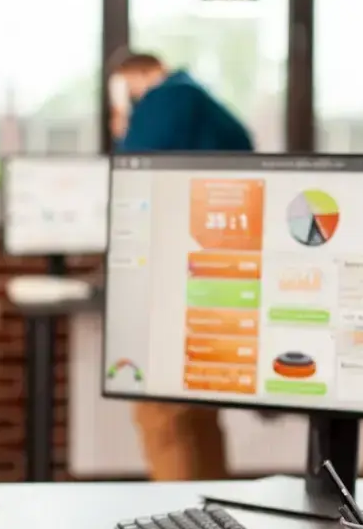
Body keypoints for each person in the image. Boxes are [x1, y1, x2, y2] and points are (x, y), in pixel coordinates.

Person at [108, 51, 256, 481]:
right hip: (215, 269)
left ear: (138, 76)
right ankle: (207, 517)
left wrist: (122, 120)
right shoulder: (201, 101)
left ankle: (180, 524)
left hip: (178, 271)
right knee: (195, 413)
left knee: (161, 414)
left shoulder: (167, 99)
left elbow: (130, 167)